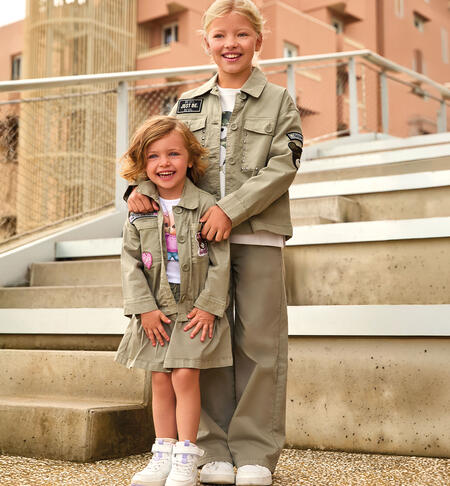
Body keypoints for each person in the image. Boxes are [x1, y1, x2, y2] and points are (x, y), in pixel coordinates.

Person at [126, 1, 303, 485]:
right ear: (205, 43)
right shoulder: (186, 103)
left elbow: (284, 165)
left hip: (258, 234)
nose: (231, 44)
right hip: (194, 243)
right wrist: (138, 189)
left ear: (258, 41)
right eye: (220, 35)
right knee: (205, 341)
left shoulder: (280, 100)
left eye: (241, 35)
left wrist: (230, 210)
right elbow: (162, 153)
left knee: (260, 344)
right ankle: (212, 449)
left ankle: (255, 452)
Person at [116, 115, 232, 486]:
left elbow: (221, 262)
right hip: (156, 309)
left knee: (184, 375)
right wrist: (145, 309)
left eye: (173, 154)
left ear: (190, 159)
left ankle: (186, 456)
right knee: (160, 380)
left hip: (194, 309)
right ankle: (162, 455)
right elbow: (130, 262)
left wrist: (210, 306)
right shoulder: (139, 209)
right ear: (142, 163)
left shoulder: (207, 205)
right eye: (153, 156)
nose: (164, 163)